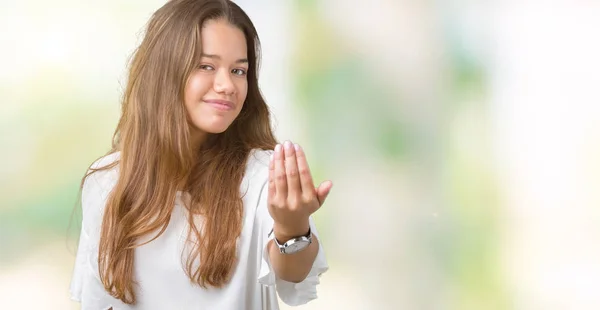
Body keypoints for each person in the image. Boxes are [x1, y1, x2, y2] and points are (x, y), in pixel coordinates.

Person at [69, 0, 332, 309]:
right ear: (164, 70)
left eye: (238, 70)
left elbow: (293, 277)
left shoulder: (261, 175)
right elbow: (98, 302)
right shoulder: (107, 181)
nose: (227, 85)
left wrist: (291, 227)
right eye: (206, 66)